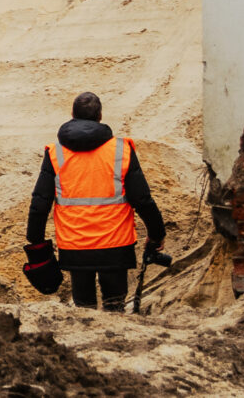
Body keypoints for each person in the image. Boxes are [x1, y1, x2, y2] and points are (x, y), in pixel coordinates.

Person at [25, 91, 168, 310]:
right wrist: (156, 235)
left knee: (84, 309)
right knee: (114, 305)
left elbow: (39, 203)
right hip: (116, 244)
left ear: (72, 114)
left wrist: (35, 242)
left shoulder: (56, 153)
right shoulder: (121, 150)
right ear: (100, 116)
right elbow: (143, 200)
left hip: (75, 245)